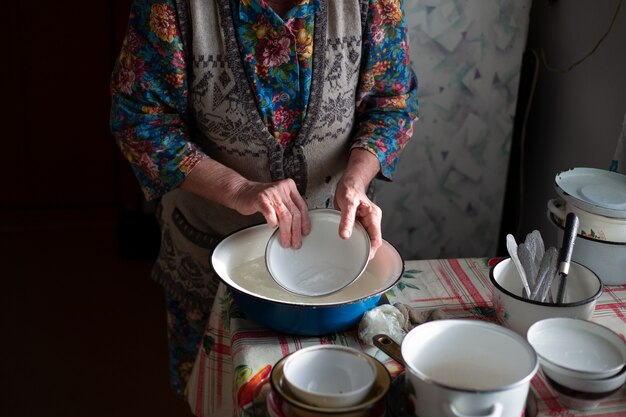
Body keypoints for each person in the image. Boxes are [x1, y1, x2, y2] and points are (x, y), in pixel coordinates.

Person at [110, 0, 418, 402]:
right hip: (207, 256)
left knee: (338, 393)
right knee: (219, 396)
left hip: (340, 261)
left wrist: (356, 180)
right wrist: (236, 188)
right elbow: (138, 118)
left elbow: (392, 102)